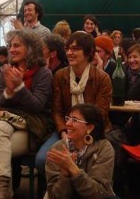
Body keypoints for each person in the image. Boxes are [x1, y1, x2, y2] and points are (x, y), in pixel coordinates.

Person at [0, 29, 53, 199]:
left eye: (17, 45)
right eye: (10, 46)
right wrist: (8, 89)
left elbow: (38, 106)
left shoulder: (43, 73)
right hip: (8, 121)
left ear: (30, 48)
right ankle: (2, 191)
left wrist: (19, 87)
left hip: (33, 126)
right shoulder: (6, 71)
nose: (12, 50)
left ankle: (2, 195)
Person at [36, 31, 112, 177]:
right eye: (67, 49)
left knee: (88, 161)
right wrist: (64, 132)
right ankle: (54, 195)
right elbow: (57, 111)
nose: (69, 53)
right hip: (65, 130)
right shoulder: (60, 76)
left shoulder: (102, 78)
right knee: (41, 160)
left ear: (89, 52)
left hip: (92, 132)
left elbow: (100, 114)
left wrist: (81, 133)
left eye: (75, 49)